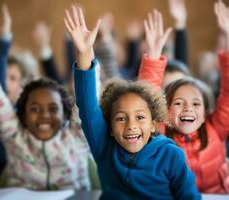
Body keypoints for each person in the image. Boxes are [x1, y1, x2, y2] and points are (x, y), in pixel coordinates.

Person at [65, 6, 200, 199]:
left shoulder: (171, 156)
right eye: (120, 118)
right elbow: (87, 108)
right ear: (109, 127)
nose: (131, 126)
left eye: (140, 117)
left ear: (154, 124)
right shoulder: (104, 146)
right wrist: (84, 53)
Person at [139, 0, 229, 193]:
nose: (188, 108)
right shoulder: (160, 132)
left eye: (196, 104)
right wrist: (153, 57)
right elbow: (146, 101)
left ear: (206, 111)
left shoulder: (216, 128)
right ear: (166, 111)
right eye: (178, 103)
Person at [0, 57, 91, 190]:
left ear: (64, 116)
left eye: (53, 109)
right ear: (24, 116)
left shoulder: (77, 139)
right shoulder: (14, 139)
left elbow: (87, 101)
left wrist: (84, 53)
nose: (44, 115)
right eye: (35, 109)